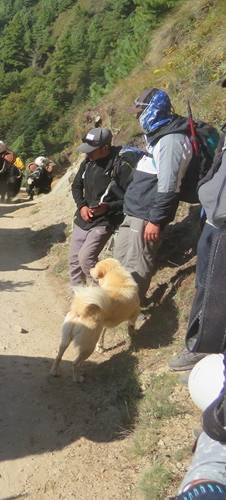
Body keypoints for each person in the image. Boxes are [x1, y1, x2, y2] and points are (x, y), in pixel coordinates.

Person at [172, 78, 226, 497]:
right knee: (204, 284)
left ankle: (202, 347)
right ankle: (200, 343)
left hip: (224, 221)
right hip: (213, 214)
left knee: (212, 291)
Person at [116, 88, 193, 303]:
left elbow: (169, 186)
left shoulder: (171, 141)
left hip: (146, 214)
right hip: (135, 209)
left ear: (154, 111)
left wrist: (156, 220)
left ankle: (131, 308)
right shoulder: (160, 135)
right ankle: (116, 305)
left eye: (141, 112)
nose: (138, 117)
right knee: (120, 260)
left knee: (137, 263)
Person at [68, 128, 135, 287]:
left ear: (105, 148)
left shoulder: (120, 166)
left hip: (105, 220)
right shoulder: (88, 162)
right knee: (74, 259)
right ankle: (79, 298)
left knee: (86, 258)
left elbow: (130, 199)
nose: (87, 153)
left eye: (92, 150)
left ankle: (105, 295)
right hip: (84, 218)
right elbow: (76, 186)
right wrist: (82, 206)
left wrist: (108, 208)